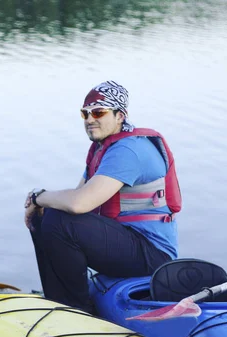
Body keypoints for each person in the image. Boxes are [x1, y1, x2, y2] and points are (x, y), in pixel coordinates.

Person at [24, 80, 181, 313]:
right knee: (50, 215)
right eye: (85, 113)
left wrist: (37, 198)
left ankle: (76, 309)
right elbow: (77, 198)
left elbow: (79, 204)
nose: (89, 120)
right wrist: (41, 206)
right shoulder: (104, 148)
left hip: (152, 254)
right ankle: (60, 299)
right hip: (129, 242)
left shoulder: (128, 150)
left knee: (59, 220)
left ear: (120, 115)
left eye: (98, 112)